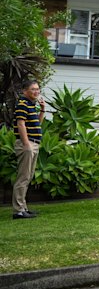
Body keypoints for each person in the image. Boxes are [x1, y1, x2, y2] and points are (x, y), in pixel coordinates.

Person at [12, 80, 44, 219]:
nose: (36, 91)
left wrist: (42, 110)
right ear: (25, 91)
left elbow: (37, 124)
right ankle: (18, 210)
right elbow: (21, 124)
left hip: (34, 143)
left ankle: (23, 208)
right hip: (27, 144)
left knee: (28, 177)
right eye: (33, 89)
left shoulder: (30, 105)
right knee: (23, 177)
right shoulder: (22, 104)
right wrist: (26, 145)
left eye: (38, 89)